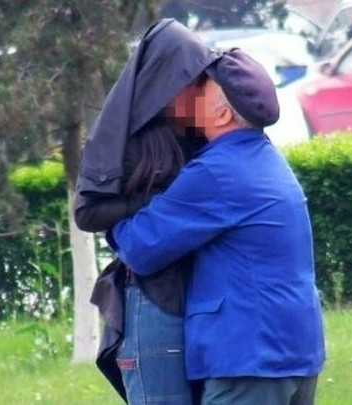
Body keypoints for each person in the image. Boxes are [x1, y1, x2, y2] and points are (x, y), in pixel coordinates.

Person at [108, 49, 326, 405]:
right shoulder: (265, 159)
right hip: (294, 354)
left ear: (223, 114)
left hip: (249, 361)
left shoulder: (217, 171)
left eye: (199, 88)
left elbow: (139, 247)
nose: (186, 92)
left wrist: (110, 211)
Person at [74, 19, 219, 405]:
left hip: (202, 301)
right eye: (190, 81)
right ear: (165, 81)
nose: (199, 90)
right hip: (153, 298)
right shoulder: (123, 139)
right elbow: (86, 213)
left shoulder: (196, 131)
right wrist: (152, 202)